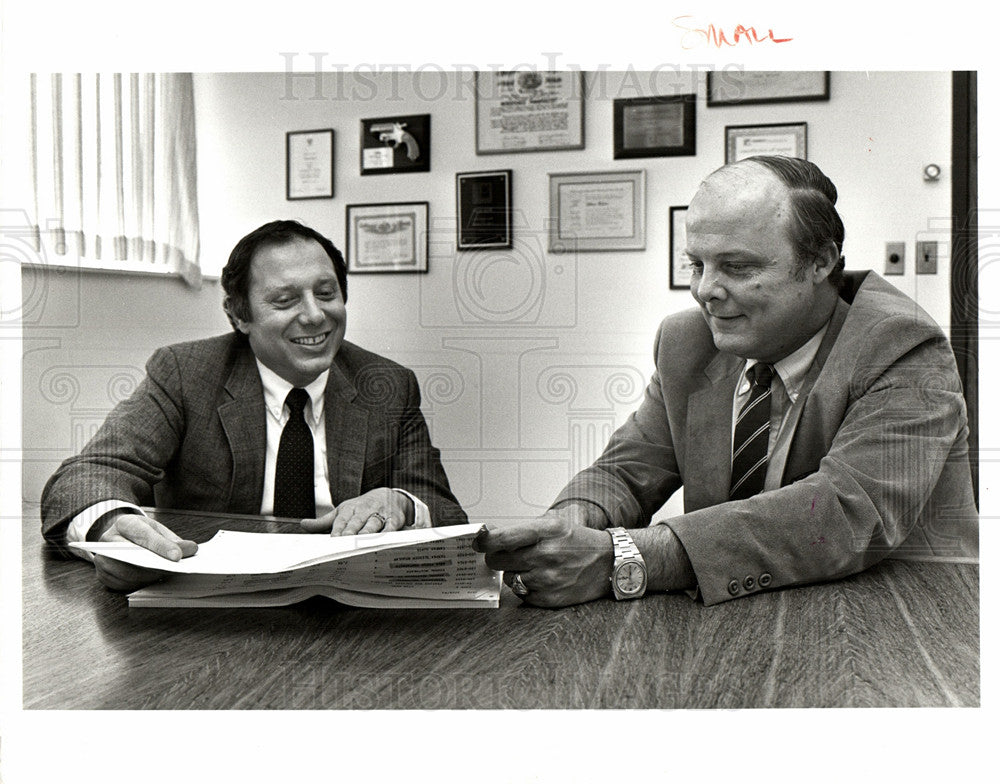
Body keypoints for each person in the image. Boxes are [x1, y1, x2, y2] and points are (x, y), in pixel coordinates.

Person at [475, 155, 978, 608]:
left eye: (736, 266)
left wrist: (622, 557)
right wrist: (568, 522)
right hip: (735, 610)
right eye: (697, 264)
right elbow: (628, 469)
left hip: (903, 611)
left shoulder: (903, 346)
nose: (704, 291)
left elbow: (847, 514)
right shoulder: (686, 340)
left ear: (821, 261)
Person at [41, 220, 467, 590]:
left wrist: (401, 502)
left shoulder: (388, 385)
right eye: (285, 301)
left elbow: (445, 510)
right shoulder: (186, 373)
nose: (316, 315)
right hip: (208, 610)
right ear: (238, 315)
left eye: (326, 293)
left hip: (351, 612)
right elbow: (87, 476)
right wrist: (110, 527)